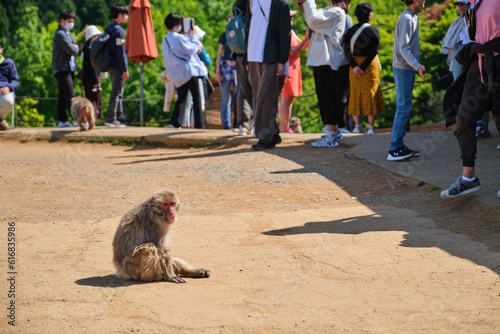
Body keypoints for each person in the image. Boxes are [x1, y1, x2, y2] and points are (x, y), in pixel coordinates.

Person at [441, 0, 500, 198]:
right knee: (463, 118)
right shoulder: (473, 1)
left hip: (498, 60)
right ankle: (468, 178)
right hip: (479, 59)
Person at [298, 0, 348, 148]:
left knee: (327, 97)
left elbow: (312, 20)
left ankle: (331, 133)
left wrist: (308, 1)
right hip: (323, 59)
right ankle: (332, 131)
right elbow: (311, 18)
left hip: (328, 60)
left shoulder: (337, 12)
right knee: (326, 96)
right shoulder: (331, 10)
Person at [246, 0, 291, 150]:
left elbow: (285, 33)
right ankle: (272, 132)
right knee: (261, 96)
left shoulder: (281, 4)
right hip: (253, 55)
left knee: (266, 97)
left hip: (270, 56)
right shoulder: (252, 1)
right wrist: (246, 55)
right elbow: (248, 26)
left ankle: (265, 136)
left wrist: (281, 59)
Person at [386, 0, 426, 161]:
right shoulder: (407, 18)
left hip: (405, 67)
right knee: (403, 107)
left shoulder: (412, 17)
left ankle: (399, 145)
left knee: (404, 107)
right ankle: (394, 148)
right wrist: (417, 66)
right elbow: (403, 48)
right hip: (404, 68)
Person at [342, 2, 385, 135]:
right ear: (369, 15)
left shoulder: (350, 31)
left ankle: (356, 125)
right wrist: (363, 66)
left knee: (355, 94)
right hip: (369, 66)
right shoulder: (373, 31)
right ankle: (371, 127)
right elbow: (374, 51)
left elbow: (346, 50)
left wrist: (355, 66)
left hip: (353, 66)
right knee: (370, 93)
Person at [162, 12, 208, 129]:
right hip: (188, 71)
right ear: (177, 24)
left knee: (181, 98)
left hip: (176, 72)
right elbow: (191, 49)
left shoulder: (165, 38)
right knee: (196, 98)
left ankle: (174, 122)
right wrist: (193, 36)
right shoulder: (178, 37)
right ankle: (199, 125)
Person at [278, 10, 309, 134]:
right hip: (289, 69)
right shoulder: (285, 32)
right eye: (290, 18)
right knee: (285, 100)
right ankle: (283, 127)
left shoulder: (290, 31)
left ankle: (285, 126)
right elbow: (292, 50)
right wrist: (306, 38)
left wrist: (307, 39)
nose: (292, 19)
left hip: (293, 69)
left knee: (289, 100)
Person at [52, 9, 79, 128]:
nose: (71, 23)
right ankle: (76, 119)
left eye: (72, 21)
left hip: (69, 68)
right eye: (69, 21)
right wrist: (74, 47)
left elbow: (75, 45)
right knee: (70, 94)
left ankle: (62, 120)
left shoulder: (67, 33)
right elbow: (71, 49)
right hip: (62, 68)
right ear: (62, 21)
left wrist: (75, 46)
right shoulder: (60, 34)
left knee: (63, 95)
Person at [104, 3, 129, 127]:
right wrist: (125, 69)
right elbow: (121, 51)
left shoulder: (109, 27)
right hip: (118, 65)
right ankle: (111, 118)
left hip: (110, 64)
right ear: (120, 15)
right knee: (117, 91)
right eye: (125, 14)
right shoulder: (119, 30)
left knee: (116, 90)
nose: (127, 17)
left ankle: (118, 116)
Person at [232, 0, 254, 135]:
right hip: (253, 50)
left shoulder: (236, 5)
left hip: (239, 50)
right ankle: (257, 123)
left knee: (243, 87)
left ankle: (244, 125)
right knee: (257, 88)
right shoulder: (253, 4)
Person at [215, 21, 237, 130]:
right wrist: (217, 71)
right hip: (225, 68)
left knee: (239, 96)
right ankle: (226, 124)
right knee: (225, 99)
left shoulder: (241, 33)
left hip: (237, 68)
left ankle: (238, 123)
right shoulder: (224, 35)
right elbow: (219, 54)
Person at [80, 25, 103, 119]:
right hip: (91, 80)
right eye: (95, 36)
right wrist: (96, 81)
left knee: (90, 99)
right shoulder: (90, 50)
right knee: (92, 100)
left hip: (88, 79)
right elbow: (92, 68)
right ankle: (91, 118)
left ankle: (90, 118)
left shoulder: (86, 49)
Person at [0, 42, 19, 131]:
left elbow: (15, 80)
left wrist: (9, 88)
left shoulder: (9, 63)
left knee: (9, 101)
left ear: (2, 50)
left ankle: (0, 119)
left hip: (5, 91)